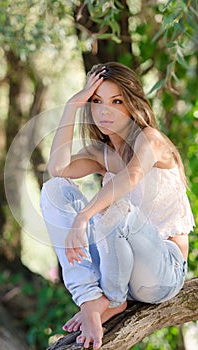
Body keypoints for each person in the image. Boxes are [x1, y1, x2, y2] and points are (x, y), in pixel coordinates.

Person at [40, 62, 194, 349]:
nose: (104, 111)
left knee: (113, 206)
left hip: (162, 271)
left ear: (132, 104)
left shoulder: (151, 140)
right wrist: (73, 105)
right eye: (96, 101)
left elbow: (131, 177)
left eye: (116, 101)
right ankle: (90, 297)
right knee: (53, 190)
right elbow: (58, 168)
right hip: (116, 265)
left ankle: (112, 300)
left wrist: (84, 216)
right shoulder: (102, 154)